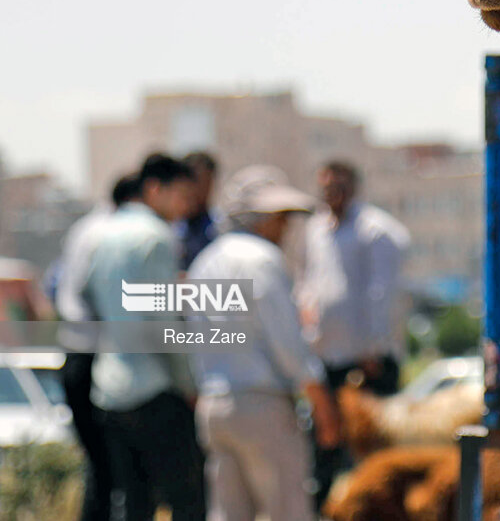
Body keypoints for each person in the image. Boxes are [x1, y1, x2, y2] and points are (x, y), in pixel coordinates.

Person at [188, 165, 343, 521]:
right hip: (262, 405)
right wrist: (321, 403)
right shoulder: (263, 260)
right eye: (279, 217)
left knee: (228, 513)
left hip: (215, 406)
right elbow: (289, 346)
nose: (286, 227)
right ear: (257, 218)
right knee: (287, 510)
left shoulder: (205, 261)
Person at [80, 153, 205, 521]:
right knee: (187, 501)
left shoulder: (103, 235)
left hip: (111, 389)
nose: (185, 208)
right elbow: (162, 321)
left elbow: (90, 300)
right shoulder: (156, 237)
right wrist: (189, 383)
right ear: (155, 190)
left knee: (133, 504)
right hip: (155, 390)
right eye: (181, 195)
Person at [296, 160, 407, 505]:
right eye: (326, 187)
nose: (332, 194)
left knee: (373, 445)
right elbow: (311, 285)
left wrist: (373, 349)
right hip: (328, 355)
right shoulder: (316, 229)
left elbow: (381, 293)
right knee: (326, 442)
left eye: (338, 187)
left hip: (367, 358)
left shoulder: (376, 230)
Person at [55, 172, 139, 521]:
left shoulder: (85, 228)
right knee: (118, 469)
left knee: (101, 468)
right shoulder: (116, 235)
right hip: (98, 356)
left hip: (75, 352)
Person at [176, 151, 223, 271]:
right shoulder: (172, 226)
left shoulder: (221, 226)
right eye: (196, 182)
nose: (201, 190)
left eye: (207, 183)